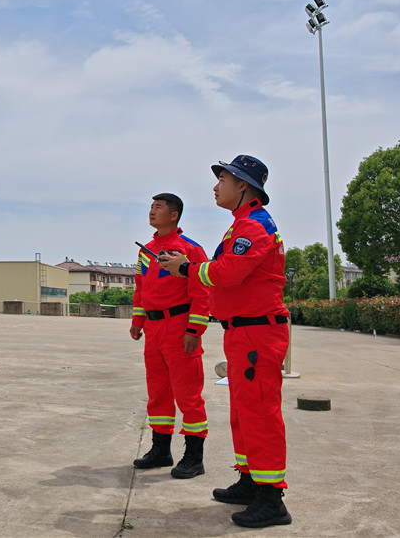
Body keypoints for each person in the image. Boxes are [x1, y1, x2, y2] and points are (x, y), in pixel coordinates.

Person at [159, 155, 292, 529]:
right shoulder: (242, 226)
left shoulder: (253, 227)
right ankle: (251, 482)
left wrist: (184, 268)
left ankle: (272, 499)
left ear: (243, 186)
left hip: (256, 332)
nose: (216, 186)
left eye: (224, 179)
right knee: (244, 412)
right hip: (243, 331)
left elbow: (228, 273)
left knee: (260, 413)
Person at [130, 193, 211, 479]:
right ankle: (161, 450)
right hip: (153, 330)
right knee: (159, 392)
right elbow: (140, 289)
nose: (152, 211)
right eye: (151, 207)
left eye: (158, 207)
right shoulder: (146, 251)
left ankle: (194, 458)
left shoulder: (189, 251)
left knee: (188, 394)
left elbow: (202, 293)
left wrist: (194, 330)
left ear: (174, 214)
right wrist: (138, 320)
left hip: (179, 328)